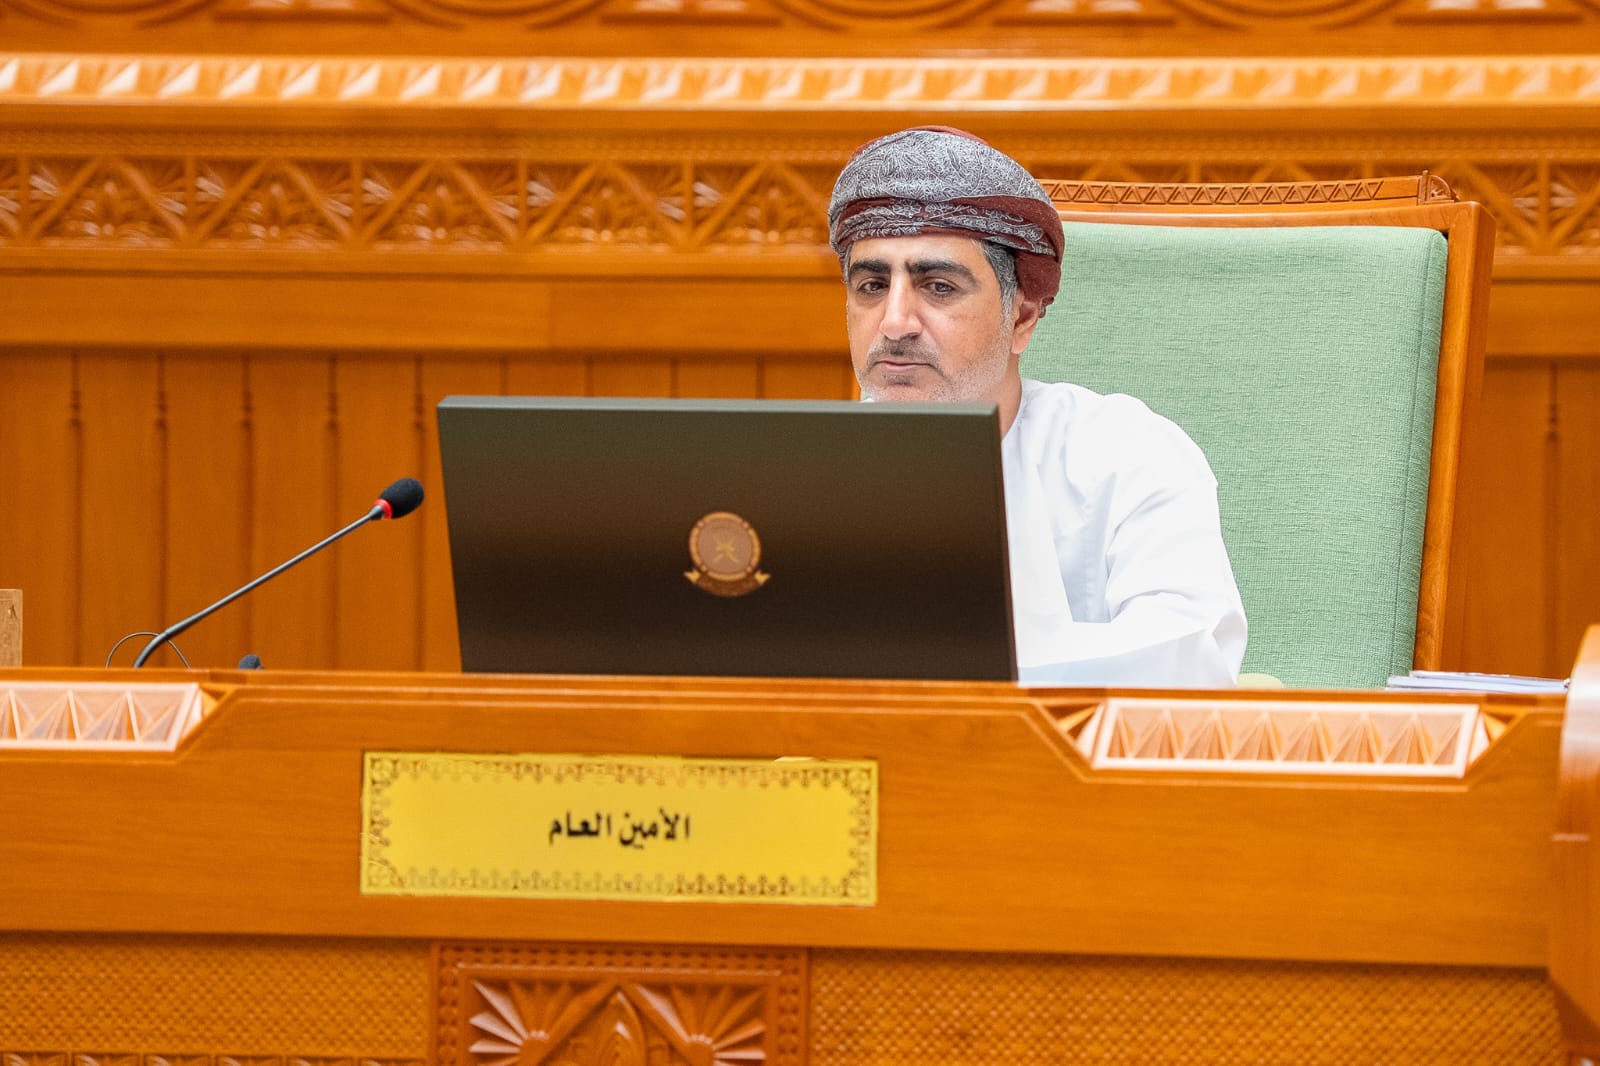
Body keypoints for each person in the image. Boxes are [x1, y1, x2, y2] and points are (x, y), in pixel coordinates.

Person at [828, 126, 1247, 686]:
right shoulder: (802, 470)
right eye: (872, 287)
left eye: (939, 287)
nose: (895, 323)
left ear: (1022, 317)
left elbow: (1184, 662)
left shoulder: (1127, 455)